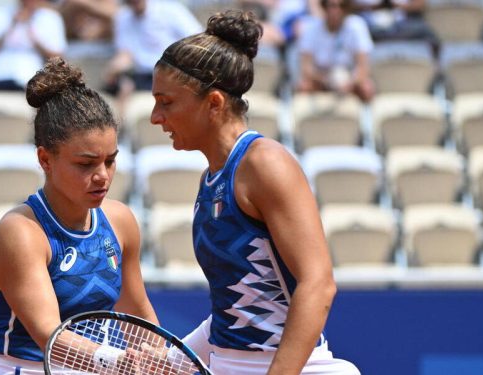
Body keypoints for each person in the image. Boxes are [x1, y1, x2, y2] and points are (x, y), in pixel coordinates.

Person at [150, 9, 360, 374]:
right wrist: (173, 359)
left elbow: (318, 284)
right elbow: (232, 309)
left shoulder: (266, 164)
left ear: (213, 103)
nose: (155, 116)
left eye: (166, 102)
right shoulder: (211, 179)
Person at [0, 57, 158, 373]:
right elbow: (52, 336)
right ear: (45, 159)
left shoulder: (121, 221)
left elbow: (139, 316)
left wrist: (161, 359)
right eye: (86, 164)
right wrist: (118, 361)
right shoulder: (20, 233)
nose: (103, 175)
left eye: (110, 160)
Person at [104, 0, 201, 112]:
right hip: (139, 75)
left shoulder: (171, 10)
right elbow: (125, 53)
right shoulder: (122, 17)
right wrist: (114, 69)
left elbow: (197, 40)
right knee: (124, 86)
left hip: (171, 72)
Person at [0, 0, 67, 91]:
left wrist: (32, 34)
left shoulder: (51, 18)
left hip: (31, 84)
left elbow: (58, 60)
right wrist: (10, 27)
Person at [297, 0, 375, 102]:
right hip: (321, 77)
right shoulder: (311, 27)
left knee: (367, 89)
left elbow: (363, 67)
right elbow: (306, 68)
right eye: (332, 5)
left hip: (349, 77)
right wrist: (326, 80)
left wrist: (349, 83)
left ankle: (365, 117)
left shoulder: (357, 25)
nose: (337, 10)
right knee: (303, 87)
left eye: (342, 6)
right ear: (324, 7)